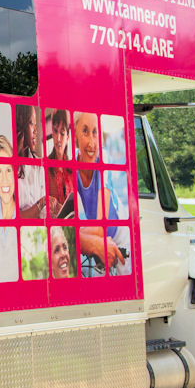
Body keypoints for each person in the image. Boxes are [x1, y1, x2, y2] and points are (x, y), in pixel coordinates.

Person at [72, 112, 126, 275]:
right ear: (75, 135)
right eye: (85, 131)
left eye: (95, 132)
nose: (91, 142)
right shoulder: (70, 164)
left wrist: (77, 235)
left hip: (118, 235)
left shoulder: (104, 160)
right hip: (97, 240)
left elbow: (101, 228)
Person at [15, 105, 53, 219]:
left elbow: (43, 212)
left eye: (36, 125)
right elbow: (14, 216)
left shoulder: (39, 166)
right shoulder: (8, 166)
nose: (36, 131)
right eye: (32, 124)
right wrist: (41, 203)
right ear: (21, 123)